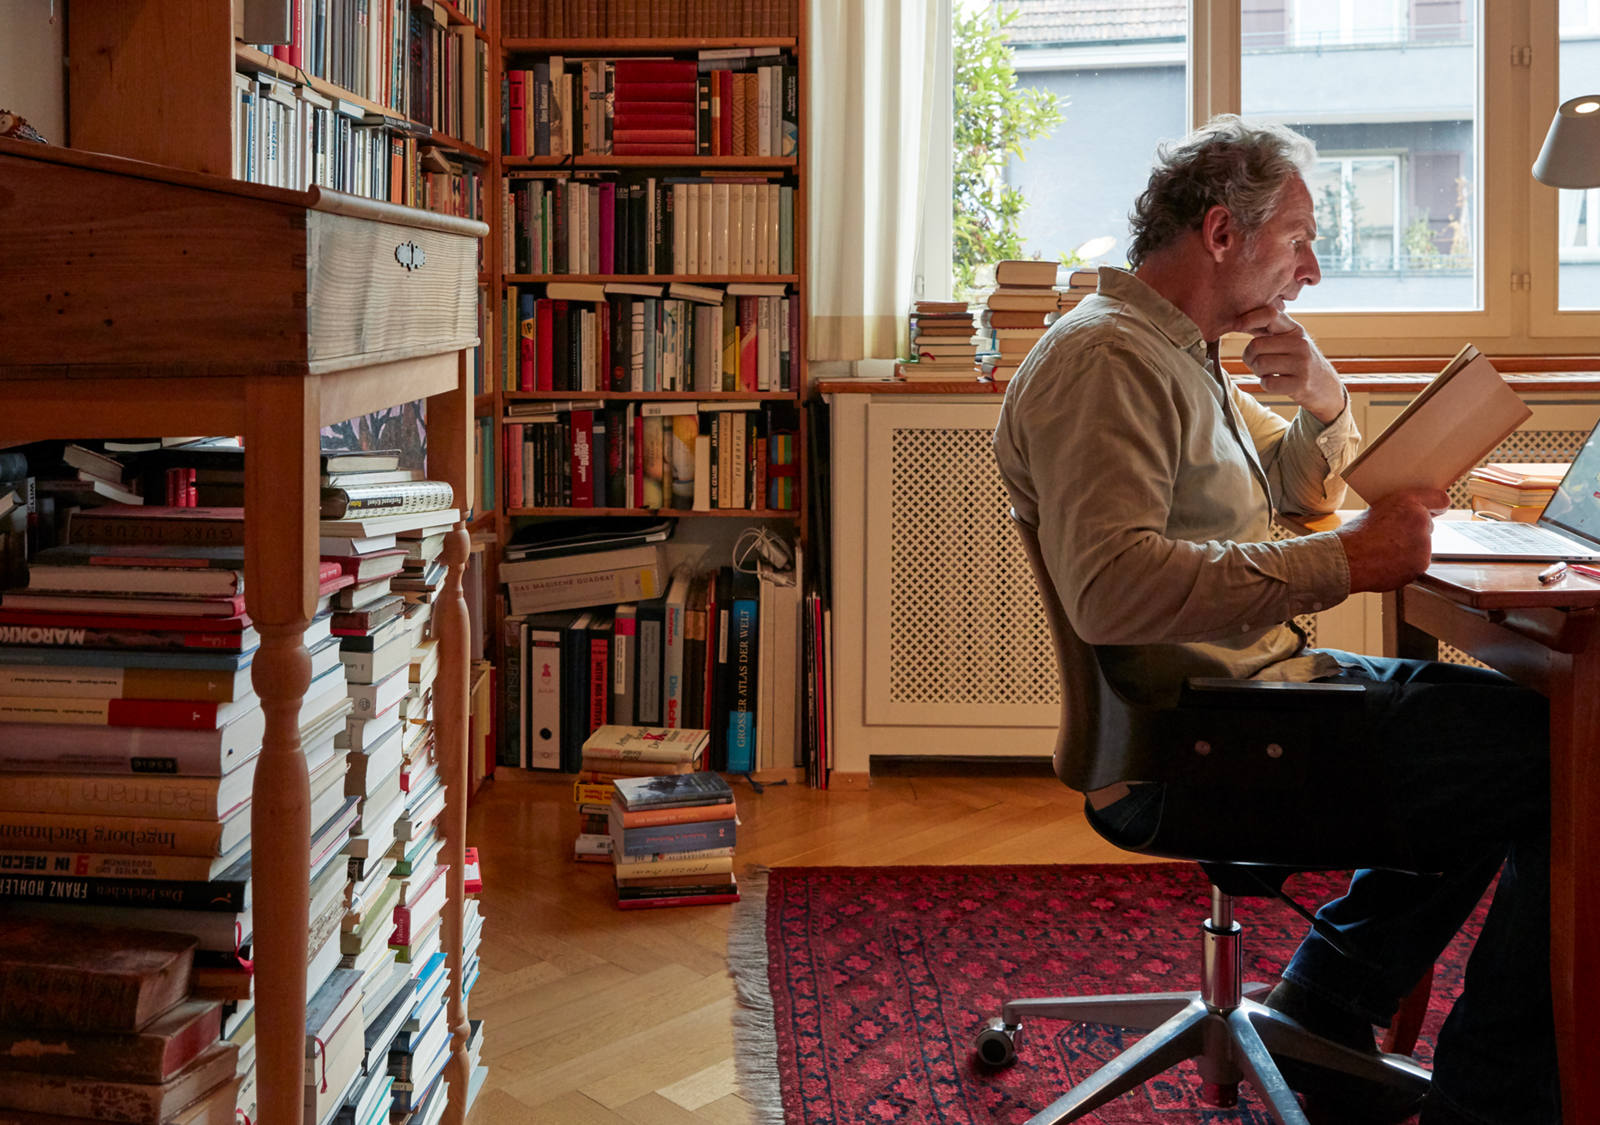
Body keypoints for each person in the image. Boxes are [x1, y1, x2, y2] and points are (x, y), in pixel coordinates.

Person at [992, 115, 1555, 1125]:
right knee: (1559, 763)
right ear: (1221, 234)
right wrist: (1343, 560)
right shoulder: (1108, 364)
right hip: (1206, 736)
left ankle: (1330, 999)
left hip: (1253, 696)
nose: (1313, 268)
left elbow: (1291, 480)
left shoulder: (1176, 350)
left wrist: (1325, 396)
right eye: (1297, 237)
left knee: (1525, 737)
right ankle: (1495, 1093)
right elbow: (1111, 587)